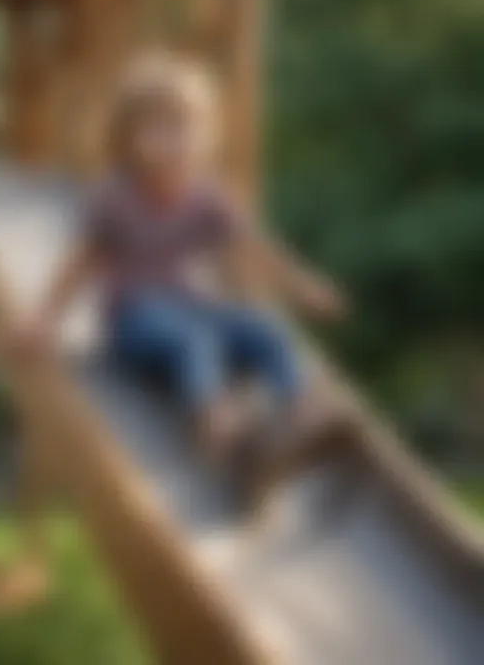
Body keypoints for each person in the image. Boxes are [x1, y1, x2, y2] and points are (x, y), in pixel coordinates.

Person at [17, 52, 345, 470]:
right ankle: (213, 421)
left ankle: (299, 407)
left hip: (190, 306)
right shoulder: (115, 199)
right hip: (134, 323)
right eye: (157, 128)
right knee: (195, 340)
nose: (174, 140)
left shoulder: (206, 197)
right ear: (126, 139)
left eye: (185, 127)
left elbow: (254, 248)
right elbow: (78, 265)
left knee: (261, 326)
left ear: (207, 136)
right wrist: (42, 320)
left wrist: (303, 285)